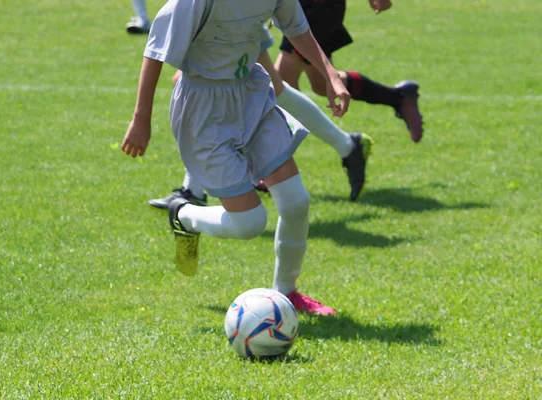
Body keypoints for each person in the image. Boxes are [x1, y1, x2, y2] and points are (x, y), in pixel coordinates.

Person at [121, 0, 351, 315]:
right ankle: (183, 214)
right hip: (204, 110)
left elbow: (297, 28)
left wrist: (330, 75)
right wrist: (141, 118)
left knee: (297, 202)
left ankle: (286, 293)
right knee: (249, 223)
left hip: (251, 94)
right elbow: (155, 50)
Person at [148, 24, 374, 210]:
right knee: (274, 88)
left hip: (234, 14)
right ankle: (347, 145)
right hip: (227, 15)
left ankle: (194, 191)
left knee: (263, 87)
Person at [275, 0, 424, 143]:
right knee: (321, 84)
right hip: (304, 5)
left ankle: (346, 147)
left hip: (316, 6)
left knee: (281, 81)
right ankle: (398, 97)